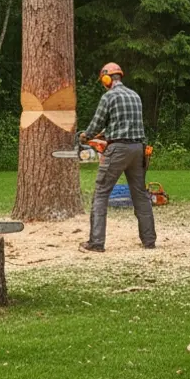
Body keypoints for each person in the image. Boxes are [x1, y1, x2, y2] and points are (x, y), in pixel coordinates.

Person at [79, 62, 156, 252]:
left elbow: (97, 123)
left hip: (118, 150)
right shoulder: (135, 96)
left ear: (106, 79)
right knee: (140, 195)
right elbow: (123, 124)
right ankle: (149, 240)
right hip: (138, 149)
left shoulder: (109, 96)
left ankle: (96, 242)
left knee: (101, 193)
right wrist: (104, 134)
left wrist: (86, 136)